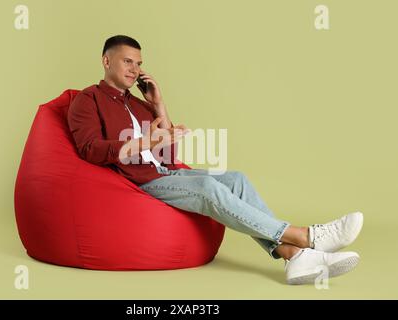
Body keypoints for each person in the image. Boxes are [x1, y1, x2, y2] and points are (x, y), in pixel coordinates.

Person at [67, 35, 364, 285]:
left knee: (236, 179)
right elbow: (90, 149)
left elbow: (168, 155)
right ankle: (305, 237)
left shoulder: (138, 104)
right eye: (127, 61)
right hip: (138, 182)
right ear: (107, 61)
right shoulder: (88, 99)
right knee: (209, 188)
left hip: (161, 173)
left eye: (139, 63)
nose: (135, 69)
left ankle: (294, 256)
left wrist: (158, 104)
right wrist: (147, 140)